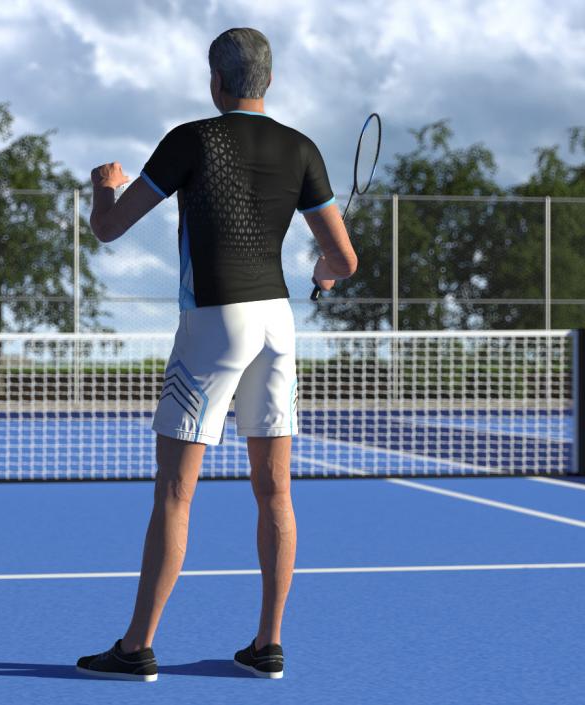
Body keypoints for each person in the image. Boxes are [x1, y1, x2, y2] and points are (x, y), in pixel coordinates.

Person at [75, 27, 358, 682]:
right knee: (275, 489)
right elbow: (341, 259)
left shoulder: (190, 139)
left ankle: (135, 646)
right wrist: (323, 273)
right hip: (276, 325)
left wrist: (103, 186)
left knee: (176, 491)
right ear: (268, 80)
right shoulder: (301, 148)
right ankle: (267, 644)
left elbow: (109, 227)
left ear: (216, 81)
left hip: (212, 323)